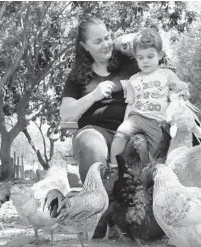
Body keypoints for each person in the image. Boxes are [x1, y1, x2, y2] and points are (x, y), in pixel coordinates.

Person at [59, 15, 140, 184]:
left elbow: (151, 44)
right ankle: (97, 203)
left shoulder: (130, 63)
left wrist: (126, 40)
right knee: (90, 143)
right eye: (98, 41)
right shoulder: (77, 76)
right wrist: (93, 96)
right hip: (96, 133)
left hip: (132, 132)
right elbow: (66, 115)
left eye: (107, 37)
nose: (105, 45)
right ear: (84, 46)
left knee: (141, 144)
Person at [108, 28, 190, 170]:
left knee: (158, 152)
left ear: (160, 55)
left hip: (158, 121)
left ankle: (154, 175)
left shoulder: (167, 74)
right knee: (120, 134)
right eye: (140, 58)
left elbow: (181, 94)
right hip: (136, 118)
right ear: (135, 58)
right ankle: (114, 167)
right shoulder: (133, 80)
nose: (145, 61)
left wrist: (184, 93)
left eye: (150, 56)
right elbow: (130, 104)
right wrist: (125, 122)